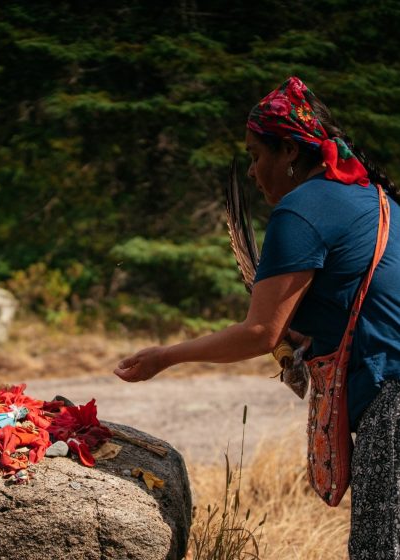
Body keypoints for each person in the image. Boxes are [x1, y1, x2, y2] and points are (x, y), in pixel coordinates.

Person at [113, 76, 400, 558]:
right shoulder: (378, 200)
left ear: (288, 151)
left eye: (255, 154)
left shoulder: (303, 209)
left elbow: (260, 332)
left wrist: (165, 357)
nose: (251, 170)